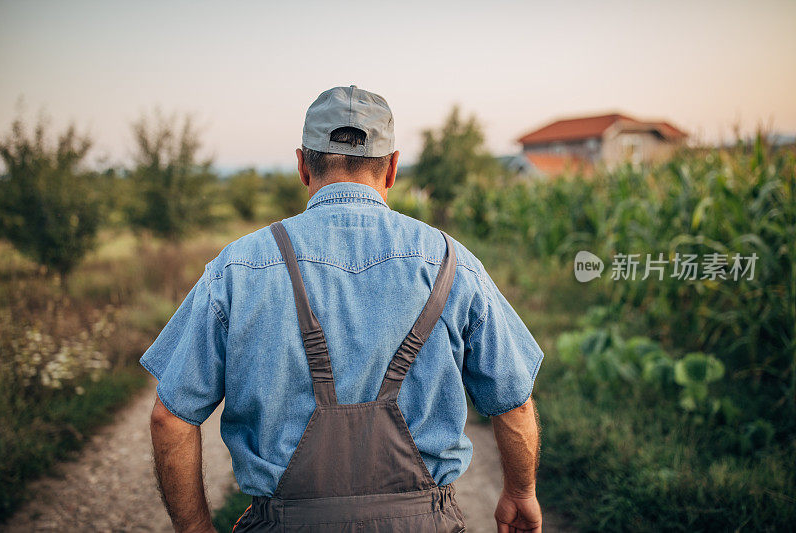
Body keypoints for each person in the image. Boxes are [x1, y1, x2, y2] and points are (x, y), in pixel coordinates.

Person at [141, 85, 544, 532]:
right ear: (392, 168)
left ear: (302, 166)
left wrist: (195, 528)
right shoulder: (452, 263)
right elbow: (514, 404)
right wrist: (519, 493)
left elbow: (169, 417)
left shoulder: (237, 268)